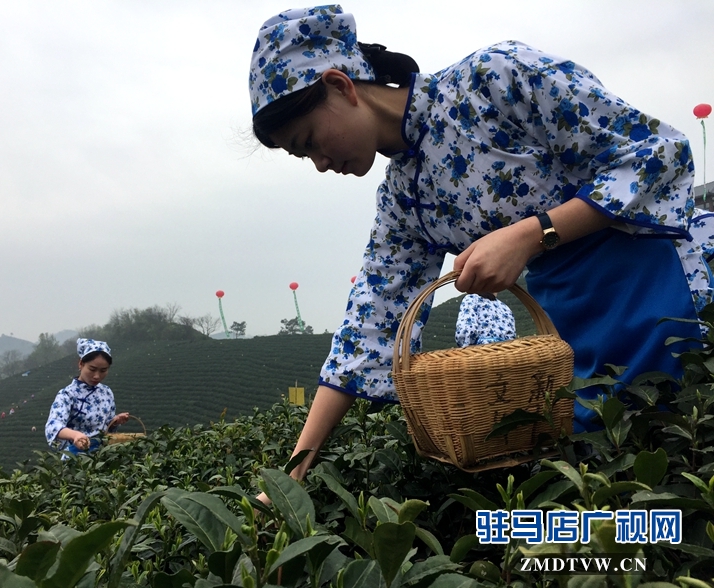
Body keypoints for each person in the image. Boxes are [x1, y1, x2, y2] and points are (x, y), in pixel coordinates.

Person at [249, 5, 713, 484]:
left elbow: (655, 153)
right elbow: (368, 327)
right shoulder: (404, 200)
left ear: (341, 85)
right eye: (303, 156)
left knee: (686, 449)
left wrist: (530, 235)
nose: (320, 163)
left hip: (660, 286)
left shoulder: (493, 80)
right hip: (572, 332)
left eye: (309, 141)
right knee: (626, 477)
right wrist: (292, 475)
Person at [44, 338, 129, 455]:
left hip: (103, 456)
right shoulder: (67, 394)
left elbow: (107, 430)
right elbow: (53, 426)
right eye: (92, 369)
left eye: (103, 370)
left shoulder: (106, 392)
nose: (97, 376)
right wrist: (75, 435)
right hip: (77, 458)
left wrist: (114, 421)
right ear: (81, 364)